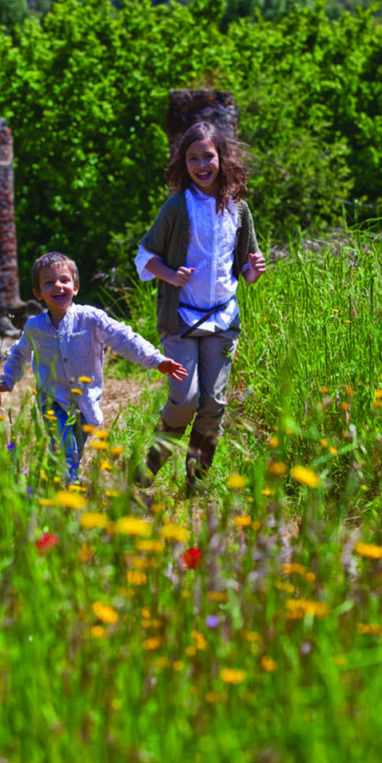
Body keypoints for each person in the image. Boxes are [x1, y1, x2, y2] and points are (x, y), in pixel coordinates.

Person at [134, 121, 266, 492]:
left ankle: (196, 482)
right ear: (184, 163)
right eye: (192, 158)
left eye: (208, 156)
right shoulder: (177, 207)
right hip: (181, 319)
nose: (201, 164)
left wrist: (254, 270)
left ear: (222, 158)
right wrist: (170, 275)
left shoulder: (239, 209)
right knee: (186, 399)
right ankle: (150, 466)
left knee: (213, 404)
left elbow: (245, 270)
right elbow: (145, 255)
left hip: (223, 318)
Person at [0, 251, 187, 482]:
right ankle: (65, 489)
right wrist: (7, 380)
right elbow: (19, 353)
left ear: (76, 287)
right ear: (38, 293)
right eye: (48, 282)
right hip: (52, 399)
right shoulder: (35, 327)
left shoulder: (91, 319)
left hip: (85, 402)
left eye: (64, 280)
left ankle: (53, 483)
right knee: (65, 447)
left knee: (73, 449)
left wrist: (156, 359)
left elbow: (123, 337)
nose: (58, 286)